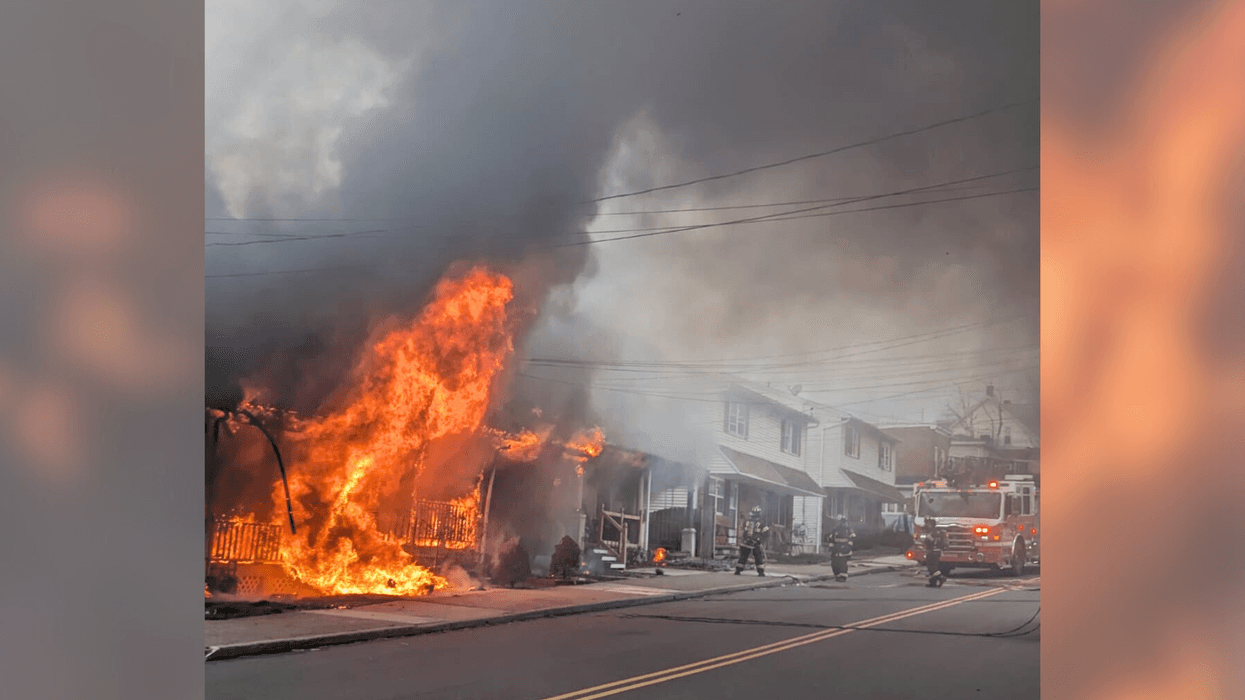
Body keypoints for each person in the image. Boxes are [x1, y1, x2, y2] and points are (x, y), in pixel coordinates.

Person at [736, 506, 769, 576]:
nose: (753, 516)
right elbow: (744, 532)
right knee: (743, 556)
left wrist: (760, 540)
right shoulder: (747, 522)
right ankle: (738, 570)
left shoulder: (762, 524)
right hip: (747, 542)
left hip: (756, 543)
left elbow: (767, 533)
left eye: (754, 514)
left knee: (758, 557)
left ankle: (760, 572)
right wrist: (745, 538)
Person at [827, 515, 855, 581]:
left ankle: (842, 576)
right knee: (835, 563)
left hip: (844, 549)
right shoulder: (835, 529)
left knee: (842, 563)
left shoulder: (848, 529)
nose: (841, 524)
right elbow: (831, 538)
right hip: (836, 549)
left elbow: (853, 538)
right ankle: (837, 576)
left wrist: (848, 547)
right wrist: (832, 548)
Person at [922, 518, 949, 587]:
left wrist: (923, 541)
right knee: (934, 568)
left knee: (931, 568)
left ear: (931, 525)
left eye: (928, 524)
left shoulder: (933, 532)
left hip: (932, 552)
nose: (926, 525)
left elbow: (927, 540)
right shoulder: (938, 531)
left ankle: (941, 578)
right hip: (937, 552)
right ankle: (933, 583)